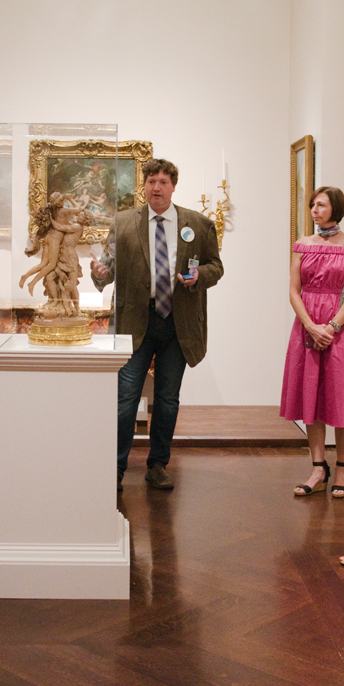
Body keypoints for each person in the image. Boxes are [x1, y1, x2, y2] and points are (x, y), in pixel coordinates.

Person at [90, 158, 224, 491]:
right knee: (124, 397)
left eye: (163, 181)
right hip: (135, 321)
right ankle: (115, 468)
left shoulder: (198, 223)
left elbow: (215, 267)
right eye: (151, 181)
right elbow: (106, 266)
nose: (157, 187)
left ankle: (158, 464)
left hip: (177, 324)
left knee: (167, 398)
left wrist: (198, 277)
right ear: (144, 186)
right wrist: (99, 273)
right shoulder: (123, 222)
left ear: (173, 186)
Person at [279, 186, 344, 498]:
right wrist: (310, 326)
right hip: (307, 328)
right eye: (313, 204)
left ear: (336, 208)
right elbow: (293, 289)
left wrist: (331, 326)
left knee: (341, 397)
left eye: (322, 205)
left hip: (339, 328)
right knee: (311, 397)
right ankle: (318, 467)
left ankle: (341, 467)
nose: (315, 210)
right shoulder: (302, 244)